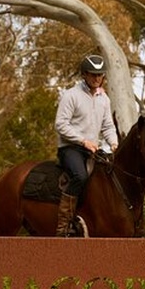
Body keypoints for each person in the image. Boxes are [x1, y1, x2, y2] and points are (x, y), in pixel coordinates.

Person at [54, 54, 119, 236]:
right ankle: (64, 225)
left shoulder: (104, 99)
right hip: (70, 148)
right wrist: (83, 141)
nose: (97, 78)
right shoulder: (71, 95)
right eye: (93, 74)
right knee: (80, 176)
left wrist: (114, 143)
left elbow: (107, 126)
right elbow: (60, 124)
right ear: (84, 74)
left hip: (93, 150)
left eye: (100, 75)